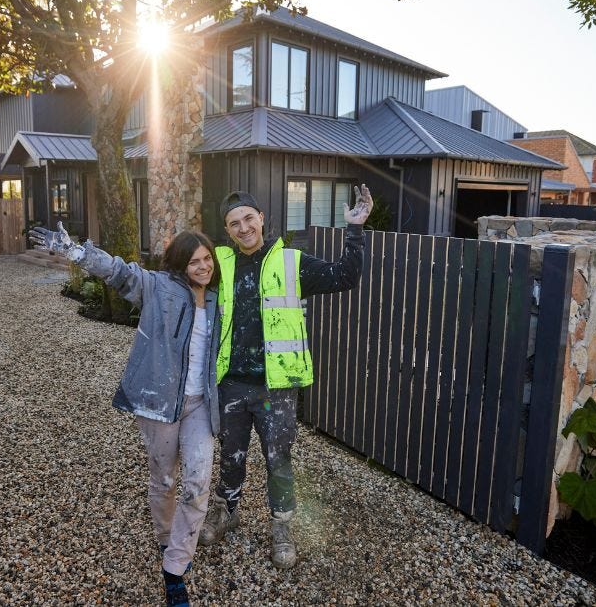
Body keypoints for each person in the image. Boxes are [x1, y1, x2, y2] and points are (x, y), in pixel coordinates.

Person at [29, 224, 220, 607]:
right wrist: (78, 252)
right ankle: (167, 538)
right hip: (158, 402)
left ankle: (174, 568)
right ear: (180, 265)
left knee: (198, 481)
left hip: (202, 404)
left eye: (207, 259)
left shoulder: (220, 297)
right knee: (164, 479)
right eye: (194, 261)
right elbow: (120, 272)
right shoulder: (158, 288)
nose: (203, 267)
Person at [197, 185, 373, 569]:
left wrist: (355, 229)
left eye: (248, 218)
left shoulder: (292, 262)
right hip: (232, 382)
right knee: (231, 454)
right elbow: (183, 274)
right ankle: (226, 510)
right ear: (227, 230)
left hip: (276, 386)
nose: (243, 228)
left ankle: (281, 526)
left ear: (261, 218)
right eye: (234, 223)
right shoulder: (220, 263)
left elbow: (345, 276)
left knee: (278, 459)